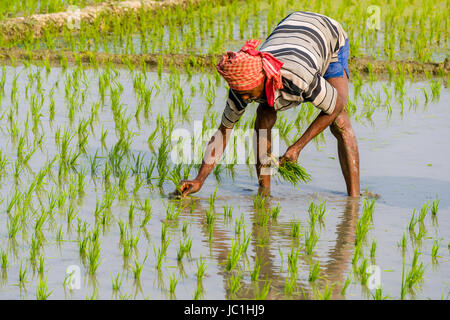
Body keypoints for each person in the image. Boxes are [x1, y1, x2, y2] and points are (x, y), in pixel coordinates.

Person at [178, 11, 360, 197]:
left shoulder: (298, 76)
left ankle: (354, 200)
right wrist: (199, 179)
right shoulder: (241, 89)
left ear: (262, 79)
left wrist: (296, 148)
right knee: (263, 116)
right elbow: (222, 133)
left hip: (327, 35)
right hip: (291, 30)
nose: (247, 99)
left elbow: (336, 104)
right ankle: (264, 192)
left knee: (340, 121)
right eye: (243, 95)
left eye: (249, 94)